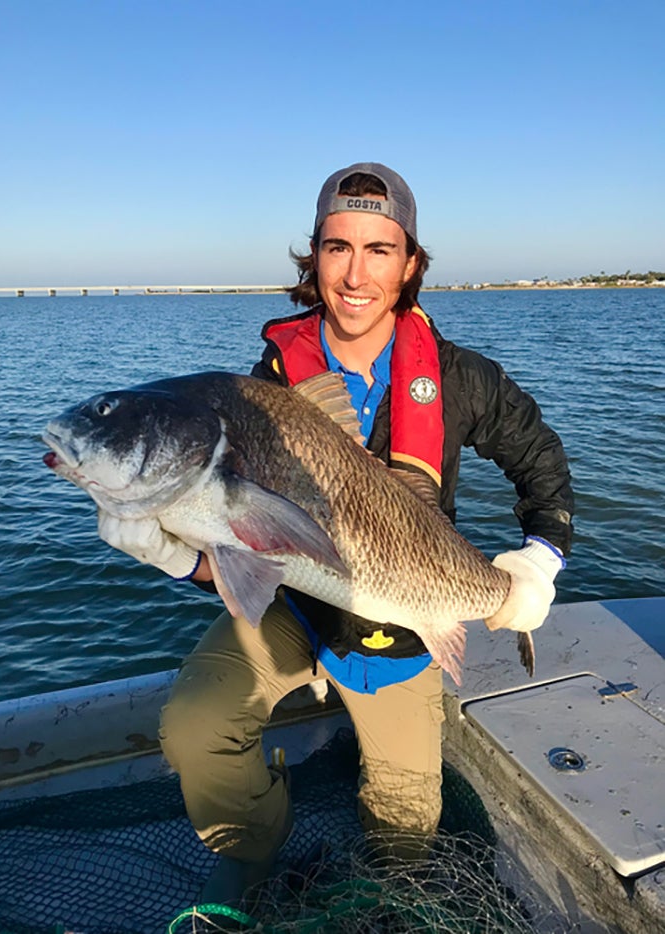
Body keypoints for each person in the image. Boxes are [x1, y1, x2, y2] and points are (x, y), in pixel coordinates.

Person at [97, 162, 574, 904]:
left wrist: (537, 563)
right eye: (336, 246)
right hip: (299, 607)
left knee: (406, 827)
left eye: (379, 249)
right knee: (195, 729)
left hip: (406, 622)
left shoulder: (460, 377)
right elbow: (243, 555)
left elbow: (540, 458)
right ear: (312, 256)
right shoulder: (267, 386)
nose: (355, 273)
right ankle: (258, 853)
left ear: (411, 262)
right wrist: (177, 556)